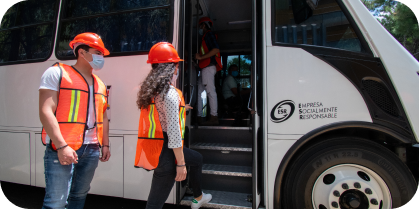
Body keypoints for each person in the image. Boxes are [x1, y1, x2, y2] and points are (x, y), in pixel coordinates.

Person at [135, 42, 212, 209]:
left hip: (157, 147)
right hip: (167, 152)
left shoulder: (151, 91)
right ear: (170, 68)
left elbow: (161, 114)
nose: (178, 70)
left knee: (197, 158)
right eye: (176, 65)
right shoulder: (169, 93)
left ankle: (198, 196)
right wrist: (181, 164)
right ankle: (198, 196)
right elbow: (174, 132)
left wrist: (182, 108)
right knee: (154, 205)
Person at [39, 32, 111, 209]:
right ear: (82, 52)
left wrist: (106, 145)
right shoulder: (57, 73)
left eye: (102, 54)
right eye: (97, 52)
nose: (101, 57)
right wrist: (62, 146)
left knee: (79, 196)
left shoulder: (100, 83)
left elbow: (103, 116)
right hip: (63, 147)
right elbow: (45, 110)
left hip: (92, 148)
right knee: (55, 203)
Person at [195, 17, 223, 126]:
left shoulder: (209, 35)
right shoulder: (204, 37)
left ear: (205, 25)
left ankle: (214, 116)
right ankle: (199, 116)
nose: (200, 28)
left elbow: (216, 49)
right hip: (204, 68)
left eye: (201, 26)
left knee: (210, 91)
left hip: (208, 67)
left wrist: (201, 58)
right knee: (199, 91)